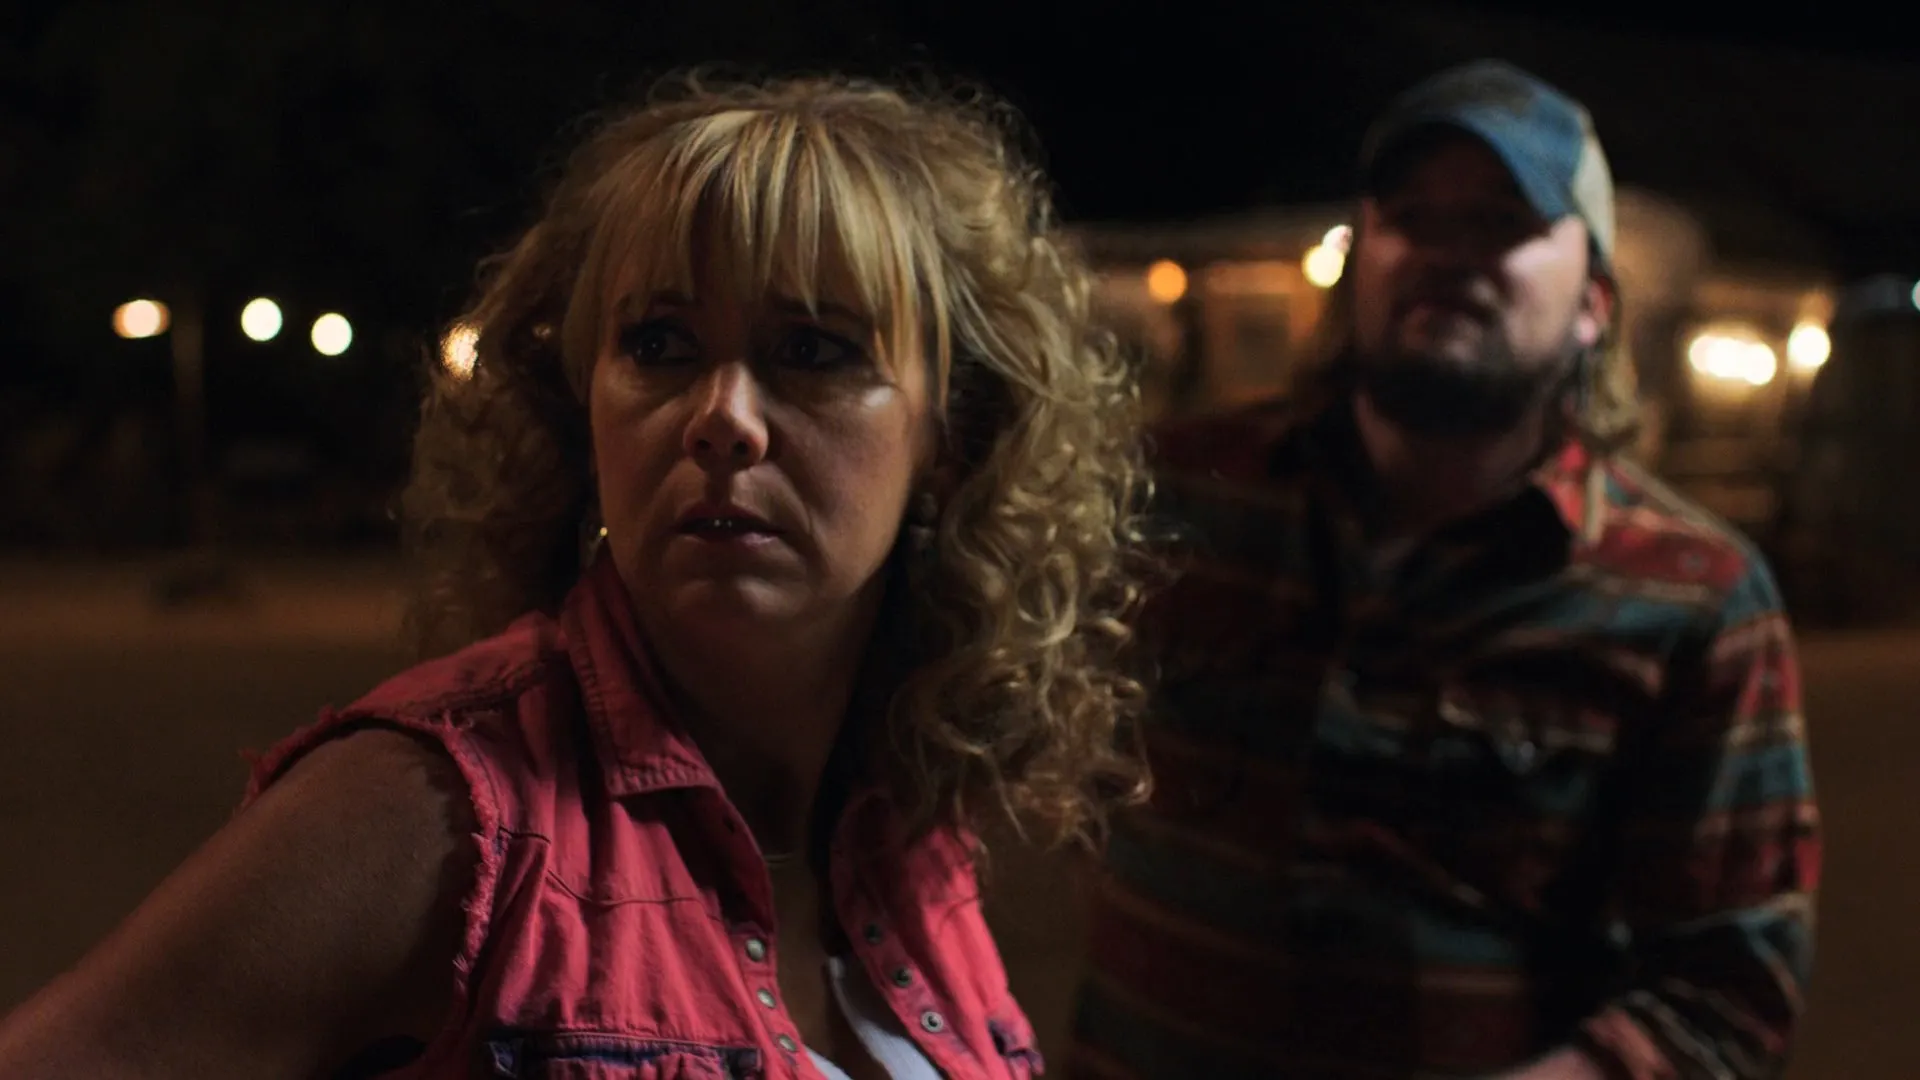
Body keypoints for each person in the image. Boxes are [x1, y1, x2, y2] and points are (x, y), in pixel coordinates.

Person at [0, 72, 1154, 1080]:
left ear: (950, 434)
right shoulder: (442, 817)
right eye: (659, 344)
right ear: (582, 406)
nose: (723, 417)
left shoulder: (914, 848)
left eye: (812, 350)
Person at [1070, 60, 1819, 1080]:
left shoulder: (1696, 599)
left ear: (1595, 304)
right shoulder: (1182, 495)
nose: (1446, 253)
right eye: (1411, 218)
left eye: (1501, 223)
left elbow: (1728, 989)